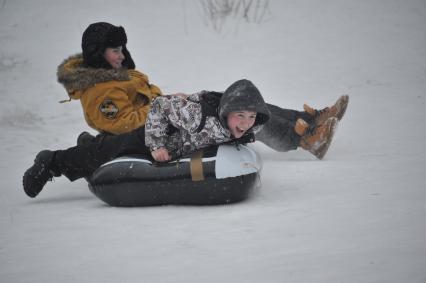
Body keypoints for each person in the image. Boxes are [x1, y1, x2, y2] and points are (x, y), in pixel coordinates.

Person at [57, 22, 348, 159]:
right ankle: (304, 139)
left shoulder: (118, 75)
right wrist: (168, 105)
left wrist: (173, 101)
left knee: (235, 102)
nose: (121, 55)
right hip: (157, 131)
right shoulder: (99, 91)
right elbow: (124, 124)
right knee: (233, 113)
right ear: (97, 53)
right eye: (115, 50)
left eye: (122, 49)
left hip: (168, 115)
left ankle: (310, 119)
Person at [23, 79, 273, 198]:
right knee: (106, 152)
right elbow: (160, 106)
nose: (246, 122)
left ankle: (89, 142)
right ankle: (51, 162)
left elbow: (260, 125)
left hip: (175, 148)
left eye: (251, 117)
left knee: (105, 148)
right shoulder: (199, 117)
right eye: (240, 115)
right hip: (151, 137)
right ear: (227, 111)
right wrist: (156, 145)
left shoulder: (246, 128)